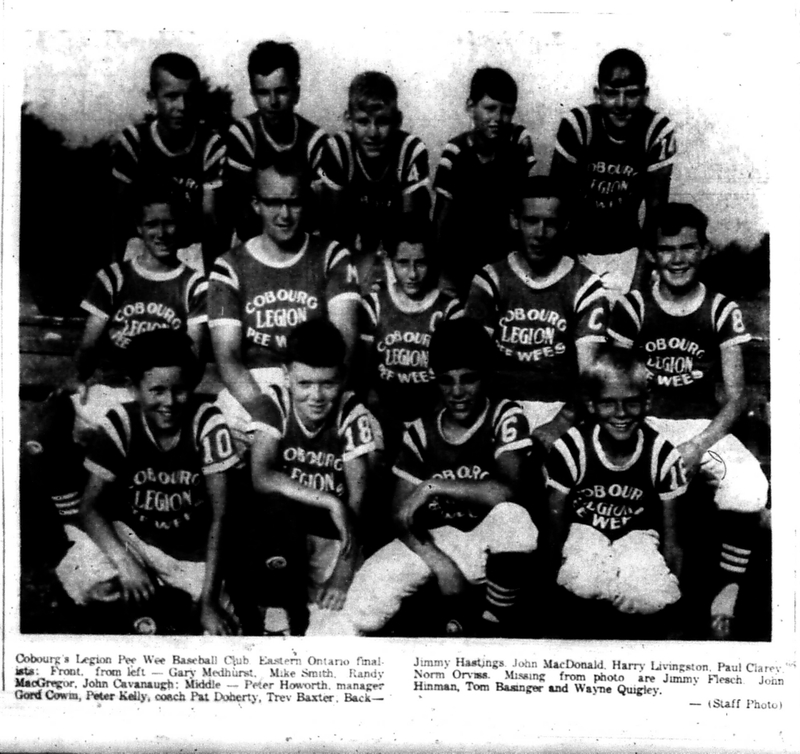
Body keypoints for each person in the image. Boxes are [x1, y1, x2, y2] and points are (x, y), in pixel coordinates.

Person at [313, 319, 538, 638]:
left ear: (486, 376)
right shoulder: (421, 431)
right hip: (435, 542)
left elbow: (507, 493)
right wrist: (440, 563)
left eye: (468, 379)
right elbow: (400, 515)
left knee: (515, 520)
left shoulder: (504, 415)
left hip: (485, 541)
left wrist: (434, 485)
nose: (457, 392)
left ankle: (493, 626)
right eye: (447, 381)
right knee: (357, 609)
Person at [607, 202, 769, 639]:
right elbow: (617, 388)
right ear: (652, 255)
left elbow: (736, 398)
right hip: (643, 423)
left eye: (687, 247)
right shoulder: (632, 307)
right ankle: (636, 579)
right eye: (667, 249)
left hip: (702, 426)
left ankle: (728, 588)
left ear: (704, 250)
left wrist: (698, 446)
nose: (677, 259)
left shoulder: (720, 308)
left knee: (750, 484)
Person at [55, 330, 239, 636]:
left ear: (191, 385)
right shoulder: (121, 421)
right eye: (156, 390)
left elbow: (222, 517)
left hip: (190, 554)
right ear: (135, 388)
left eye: (179, 390)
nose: (169, 401)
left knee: (223, 628)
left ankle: (167, 607)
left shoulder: (208, 423)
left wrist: (208, 602)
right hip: (135, 540)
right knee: (86, 578)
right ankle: (144, 607)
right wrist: (125, 562)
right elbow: (89, 507)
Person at [43, 193, 207, 521]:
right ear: (139, 228)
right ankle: (70, 519)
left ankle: (109, 517)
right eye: (152, 224)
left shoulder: (192, 284)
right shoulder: (115, 278)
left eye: (169, 223)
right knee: (57, 416)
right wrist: (77, 379)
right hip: (115, 386)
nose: (161, 233)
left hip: (159, 394)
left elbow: (194, 354)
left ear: (181, 226)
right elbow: (90, 344)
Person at [208, 156, 360, 452]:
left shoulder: (332, 256)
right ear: (256, 204)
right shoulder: (229, 265)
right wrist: (266, 413)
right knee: (219, 434)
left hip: (317, 384)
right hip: (254, 385)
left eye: (294, 202)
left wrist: (309, 410)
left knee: (366, 443)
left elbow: (345, 345)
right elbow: (227, 357)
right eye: (273, 202)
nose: (285, 214)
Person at [243, 319, 378, 635]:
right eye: (304, 383)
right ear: (287, 376)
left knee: (335, 628)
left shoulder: (351, 414)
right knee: (272, 511)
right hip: (287, 537)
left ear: (343, 378)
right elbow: (260, 476)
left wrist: (342, 574)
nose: (316, 396)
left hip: (335, 538)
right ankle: (276, 613)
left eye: (327, 383)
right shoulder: (274, 402)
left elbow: (359, 499)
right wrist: (330, 500)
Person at [544, 346, 686, 634]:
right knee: (584, 580)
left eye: (632, 402)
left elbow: (673, 541)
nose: (621, 414)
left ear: (647, 403)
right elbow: (555, 525)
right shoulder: (572, 448)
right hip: (585, 531)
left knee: (651, 596)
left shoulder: (662, 455)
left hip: (637, 536)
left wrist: (670, 581)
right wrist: (552, 579)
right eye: (609, 403)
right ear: (592, 404)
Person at [464, 176, 607, 451]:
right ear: (514, 220)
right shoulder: (490, 278)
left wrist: (559, 424)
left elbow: (588, 377)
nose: (540, 233)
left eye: (551, 223)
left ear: (565, 224)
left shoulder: (585, 285)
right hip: (497, 406)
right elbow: (472, 363)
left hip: (559, 408)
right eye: (531, 221)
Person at [550, 48, 677, 294]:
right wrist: (563, 271)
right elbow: (556, 203)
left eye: (631, 94)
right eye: (611, 93)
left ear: (645, 94)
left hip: (627, 253)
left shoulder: (656, 130)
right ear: (598, 93)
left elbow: (655, 213)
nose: (620, 104)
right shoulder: (579, 124)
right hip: (576, 251)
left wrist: (637, 287)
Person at [112, 52, 225, 273]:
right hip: (143, 246)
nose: (182, 106)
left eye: (189, 96)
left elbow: (210, 222)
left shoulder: (210, 144)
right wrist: (114, 273)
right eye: (171, 96)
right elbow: (118, 216)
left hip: (190, 249)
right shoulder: (134, 142)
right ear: (153, 99)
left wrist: (213, 283)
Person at [358, 220, 462, 454]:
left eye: (421, 263)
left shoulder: (449, 310)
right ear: (389, 261)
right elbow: (365, 380)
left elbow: (452, 383)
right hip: (382, 416)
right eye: (403, 263)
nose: (412, 274)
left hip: (433, 418)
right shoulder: (374, 306)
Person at [433, 66, 537, 296]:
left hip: (503, 258)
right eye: (490, 109)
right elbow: (441, 219)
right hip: (461, 257)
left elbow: (522, 205)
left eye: (506, 111)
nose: (497, 119)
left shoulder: (517, 142)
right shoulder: (456, 151)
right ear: (471, 107)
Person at [224, 41, 339, 242]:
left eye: (281, 91)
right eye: (263, 92)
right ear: (253, 94)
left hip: (301, 241)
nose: (273, 101)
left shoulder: (315, 141)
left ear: (296, 92)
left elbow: (321, 213)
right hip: (255, 242)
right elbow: (242, 211)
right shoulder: (244, 135)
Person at [328, 71, 431, 290]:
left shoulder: (409, 150)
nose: (373, 132)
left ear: (397, 120)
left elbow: (410, 229)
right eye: (363, 122)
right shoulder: (339, 149)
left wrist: (386, 267)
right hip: (357, 248)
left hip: (399, 250)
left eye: (382, 121)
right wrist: (356, 269)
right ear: (349, 119)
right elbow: (335, 229)